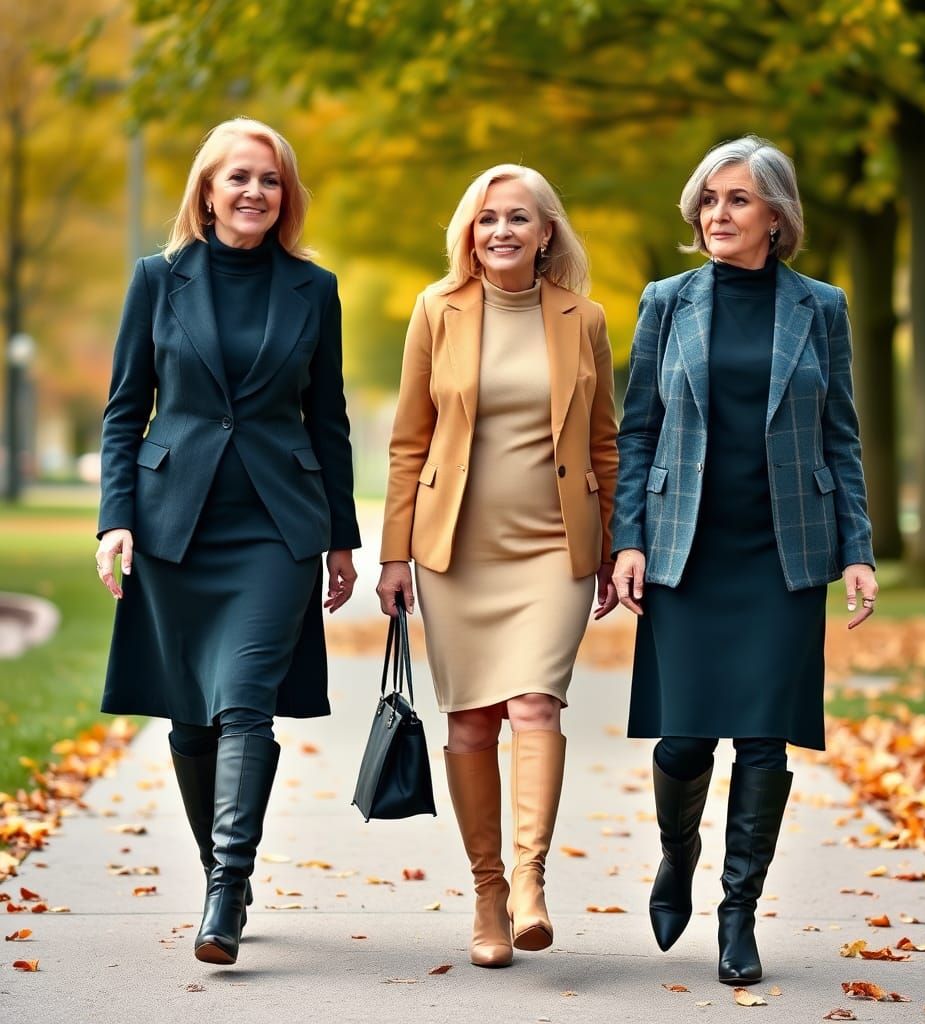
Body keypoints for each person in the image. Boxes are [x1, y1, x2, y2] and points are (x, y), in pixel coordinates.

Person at [610, 136, 877, 985]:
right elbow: (639, 427)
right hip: (687, 545)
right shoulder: (667, 301)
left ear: (777, 216)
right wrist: (629, 538)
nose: (717, 214)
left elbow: (840, 432)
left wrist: (859, 550)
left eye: (737, 200)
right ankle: (676, 851)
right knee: (684, 742)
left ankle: (738, 914)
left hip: (783, 549)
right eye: (709, 200)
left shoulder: (821, 307)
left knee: (764, 742)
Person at [95, 117, 360, 966]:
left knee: (246, 700)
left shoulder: (312, 289)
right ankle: (224, 870)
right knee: (189, 721)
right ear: (207, 190)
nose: (254, 192)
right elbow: (123, 412)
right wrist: (115, 518)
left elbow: (329, 420)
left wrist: (342, 541)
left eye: (271, 180)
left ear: (286, 197)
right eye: (239, 177)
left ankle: (224, 891)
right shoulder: (156, 279)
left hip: (277, 528)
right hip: (177, 526)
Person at [376, 164, 618, 968]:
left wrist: (613, 547)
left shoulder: (585, 319)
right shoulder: (435, 312)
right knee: (471, 720)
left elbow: (604, 443)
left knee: (535, 705)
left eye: (519, 218)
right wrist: (394, 555)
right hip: (457, 551)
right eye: (487, 220)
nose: (501, 231)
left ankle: (530, 881)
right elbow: (410, 441)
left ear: (548, 232)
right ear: (469, 233)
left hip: (555, 545)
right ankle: (487, 893)